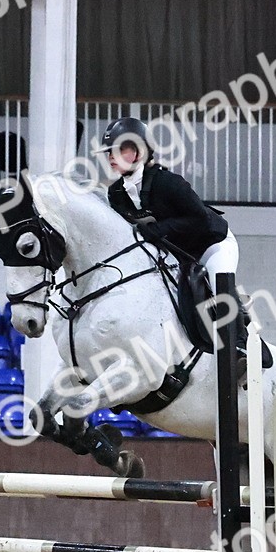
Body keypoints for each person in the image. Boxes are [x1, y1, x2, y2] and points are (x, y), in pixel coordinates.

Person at [99, 116, 264, 373]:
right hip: (177, 253)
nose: (111, 156)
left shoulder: (169, 183)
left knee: (218, 281)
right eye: (109, 151)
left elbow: (198, 218)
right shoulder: (116, 193)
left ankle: (241, 347)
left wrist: (159, 229)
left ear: (140, 151)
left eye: (120, 149)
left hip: (211, 244)